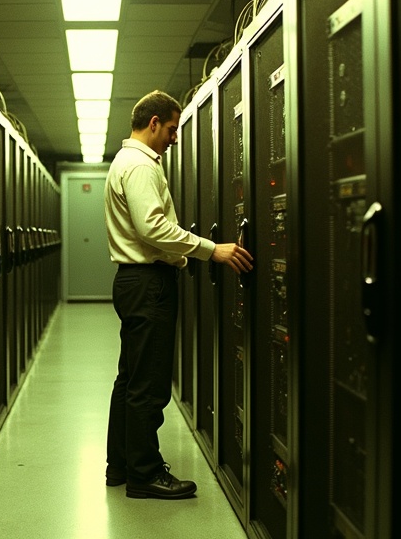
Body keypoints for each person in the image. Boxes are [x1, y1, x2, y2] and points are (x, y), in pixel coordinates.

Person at [103, 89, 254, 499]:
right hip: (148, 283)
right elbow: (153, 229)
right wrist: (212, 250)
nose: (174, 137)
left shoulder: (128, 161)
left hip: (134, 281)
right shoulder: (139, 166)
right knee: (148, 385)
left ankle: (120, 465)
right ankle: (145, 473)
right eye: (171, 129)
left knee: (130, 379)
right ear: (153, 123)